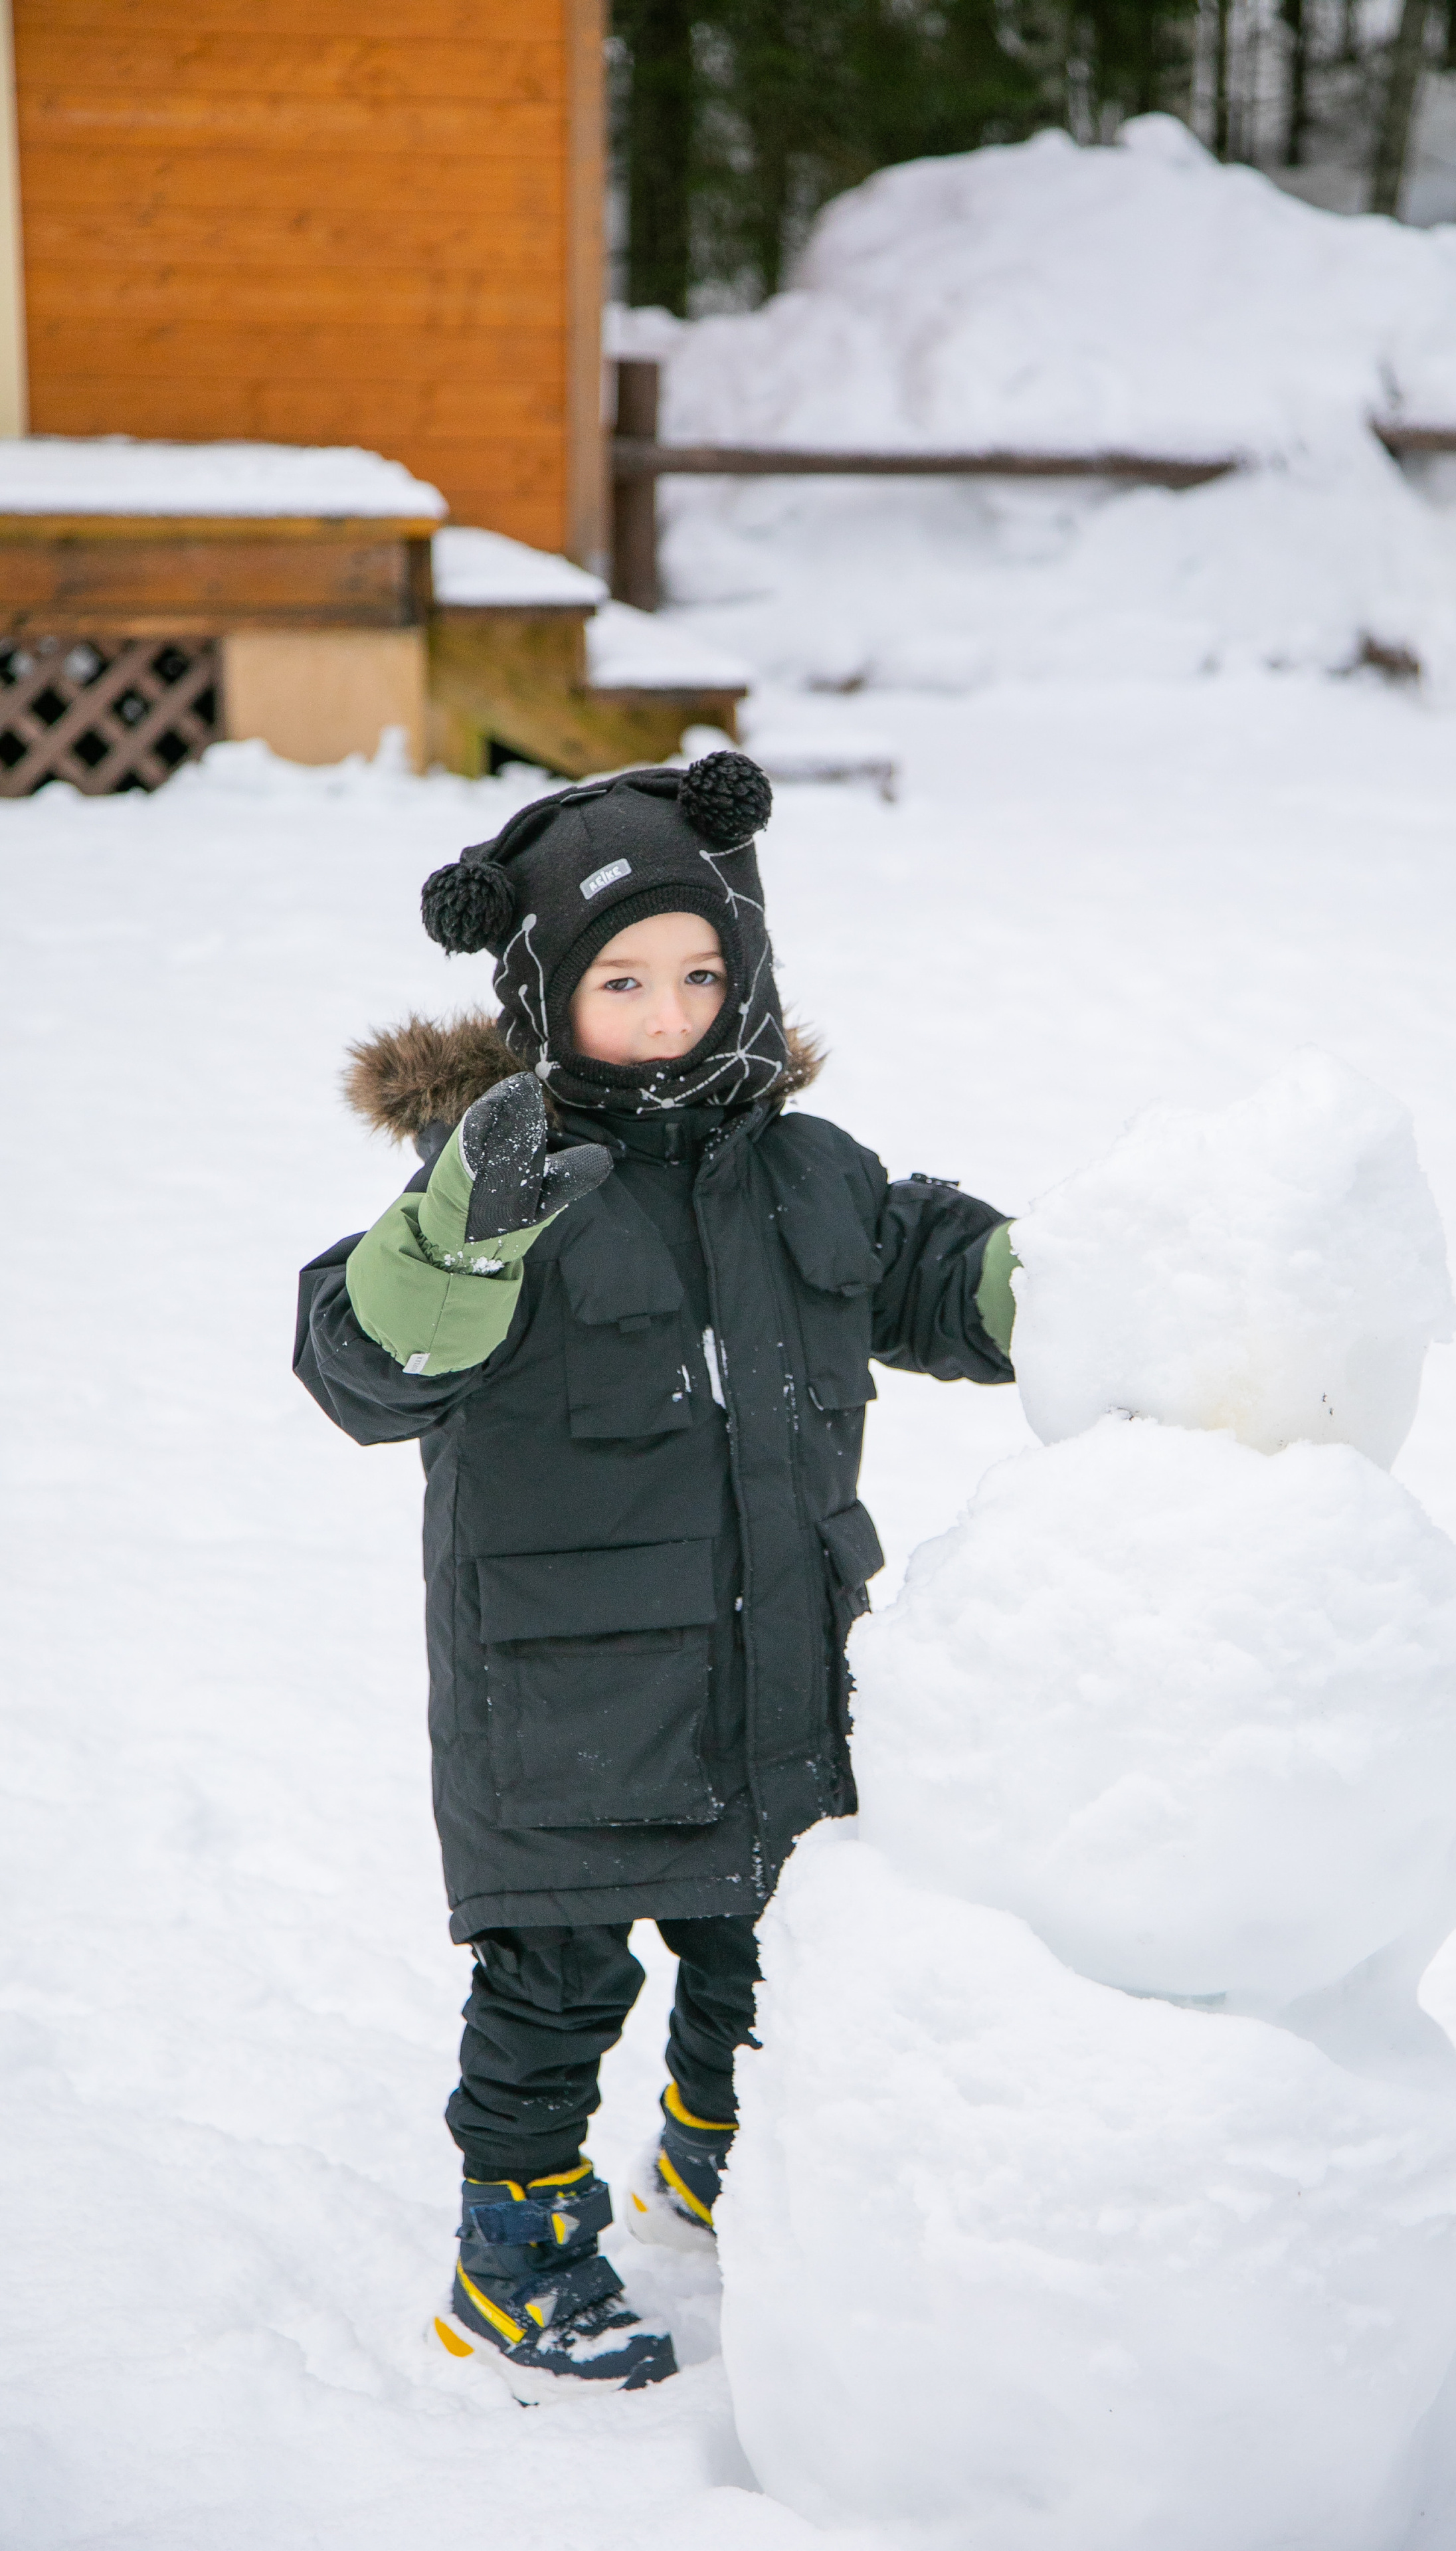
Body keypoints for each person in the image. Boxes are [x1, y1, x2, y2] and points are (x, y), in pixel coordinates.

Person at [294, 750, 1019, 2394]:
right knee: (559, 1978)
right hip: (562, 1686)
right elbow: (362, 1360)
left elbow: (942, 1275)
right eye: (622, 982)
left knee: (771, 1947)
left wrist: (1091, 1281)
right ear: (547, 993)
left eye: (703, 973)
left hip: (781, 1663)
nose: (671, 1012)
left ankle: (725, 2161)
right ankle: (519, 2247)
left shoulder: (809, 1172)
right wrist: (463, 1239)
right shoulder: (496, 1185)